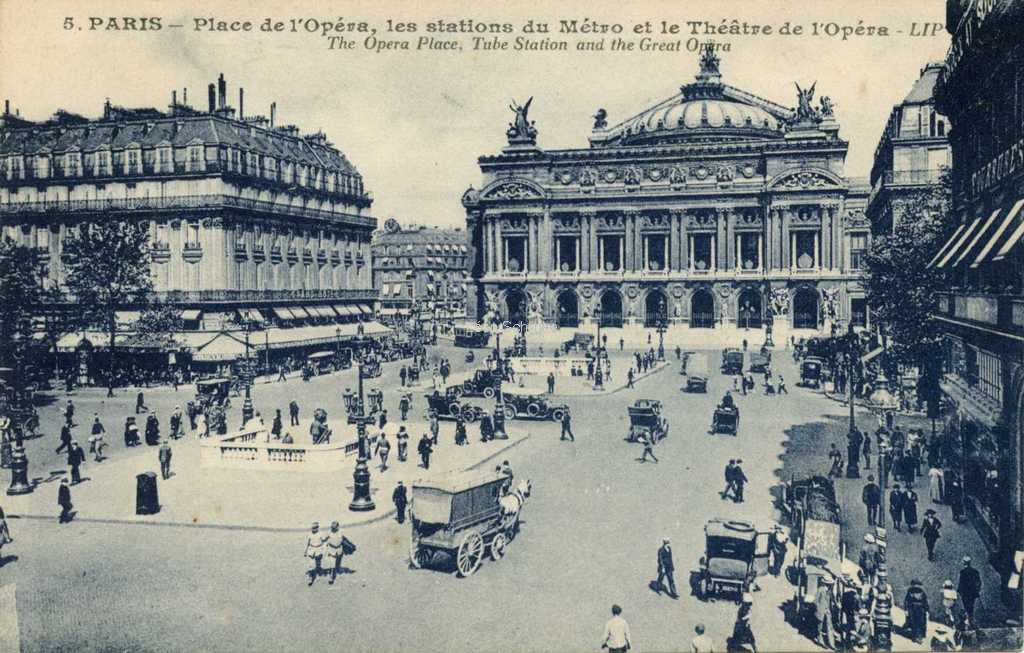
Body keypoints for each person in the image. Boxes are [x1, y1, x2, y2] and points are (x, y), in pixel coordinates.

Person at [903, 579, 930, 643]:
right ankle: (916, 637)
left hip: (921, 610)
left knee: (921, 623)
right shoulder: (910, 592)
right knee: (914, 623)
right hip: (912, 610)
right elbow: (906, 601)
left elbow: (925, 602)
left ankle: (920, 635)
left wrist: (927, 610)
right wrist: (906, 610)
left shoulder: (922, 592)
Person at [957, 556, 981, 624]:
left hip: (965, 593)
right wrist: (977, 590)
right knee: (971, 604)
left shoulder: (962, 572)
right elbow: (979, 582)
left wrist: (959, 591)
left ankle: (968, 616)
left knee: (966, 604)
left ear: (964, 563)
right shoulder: (975, 571)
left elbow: (961, 583)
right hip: (972, 593)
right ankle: (970, 615)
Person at [815, 575, 835, 649]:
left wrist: (828, 608)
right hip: (820, 611)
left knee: (829, 626)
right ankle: (819, 640)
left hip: (827, 610)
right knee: (819, 626)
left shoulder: (829, 591)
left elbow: (829, 600)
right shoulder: (820, 589)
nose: (830, 585)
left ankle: (832, 643)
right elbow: (816, 601)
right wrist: (818, 609)